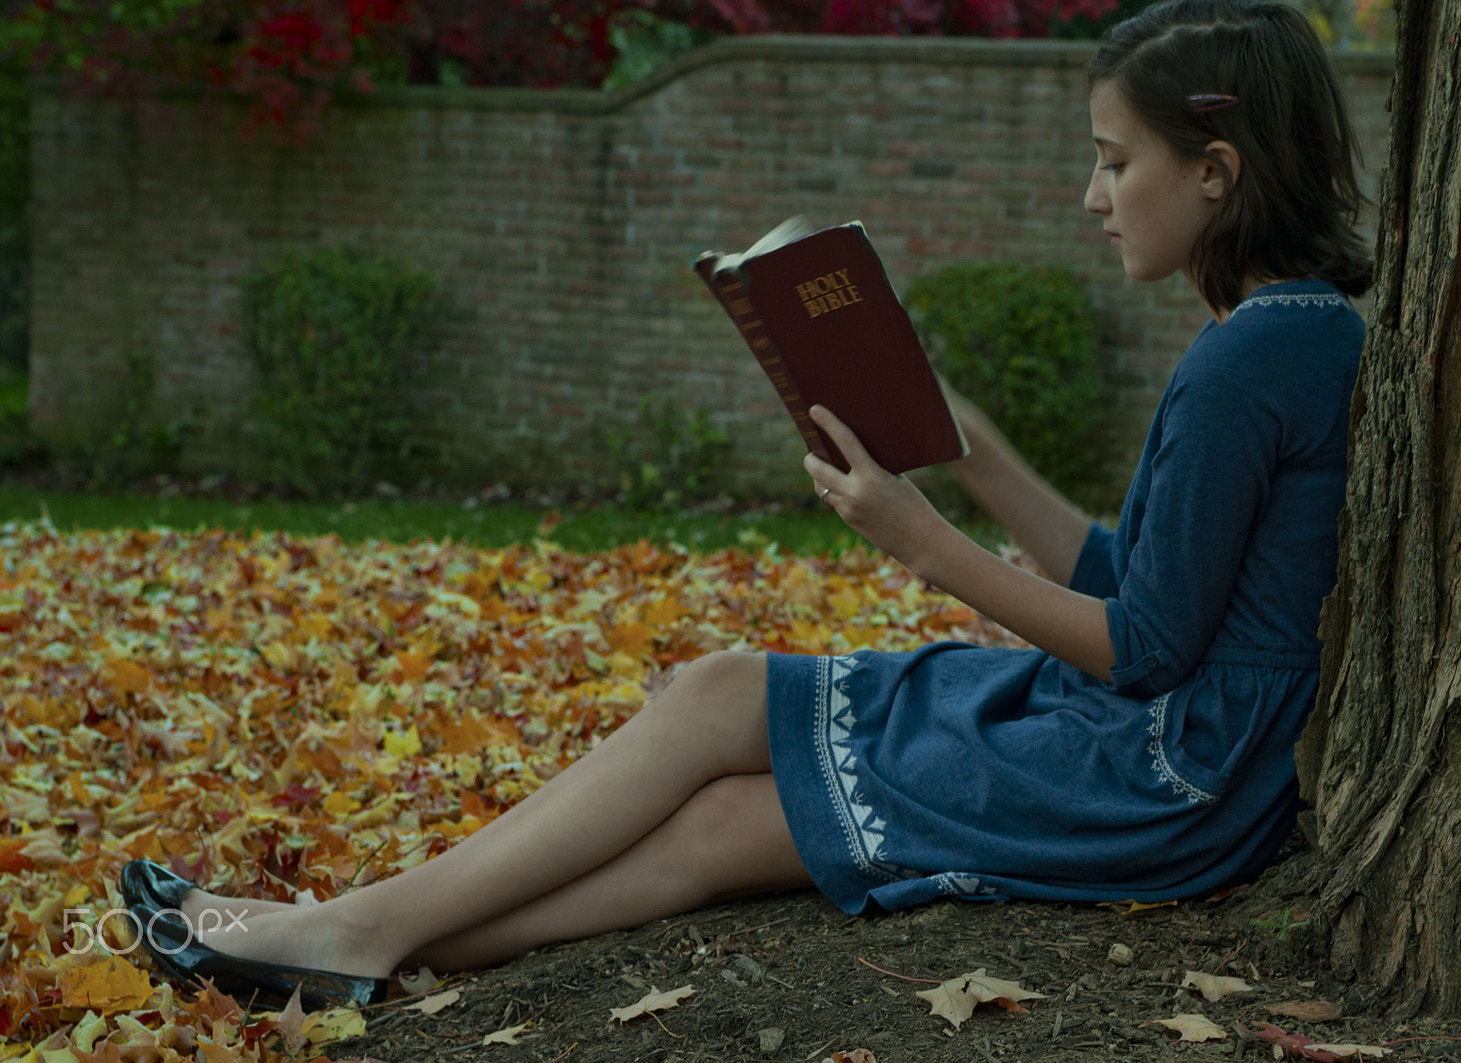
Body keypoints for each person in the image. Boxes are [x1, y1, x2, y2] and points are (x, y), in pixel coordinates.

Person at [122, 0, 1373, 1010]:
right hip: (1195, 760)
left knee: (722, 694)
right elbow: (1134, 581)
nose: (1092, 199)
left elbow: (1146, 646)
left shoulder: (1246, 360)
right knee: (724, 822)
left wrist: (924, 544)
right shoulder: (1290, 335)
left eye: (1113, 162)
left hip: (1164, 771)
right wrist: (969, 444)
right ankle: (363, 944)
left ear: (1214, 171)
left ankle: (343, 928)